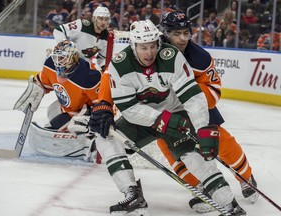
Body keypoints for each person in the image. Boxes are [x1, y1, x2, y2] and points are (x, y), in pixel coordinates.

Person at [86, 20, 246, 215]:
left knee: (194, 157)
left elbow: (193, 98)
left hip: (176, 114)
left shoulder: (171, 57)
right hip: (140, 118)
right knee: (106, 138)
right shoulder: (120, 65)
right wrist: (160, 119)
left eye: (153, 46)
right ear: (133, 45)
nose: (149, 52)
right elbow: (129, 109)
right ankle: (132, 194)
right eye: (144, 47)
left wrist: (203, 128)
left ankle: (230, 204)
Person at [159, 11, 258, 212]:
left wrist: (188, 96)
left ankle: (245, 177)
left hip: (197, 107)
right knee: (168, 146)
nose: (182, 39)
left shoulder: (200, 58)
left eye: (186, 33)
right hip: (164, 110)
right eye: (176, 34)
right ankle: (199, 186)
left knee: (221, 141)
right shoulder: (152, 51)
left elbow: (214, 91)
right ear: (165, 33)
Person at [13, 40, 102, 162]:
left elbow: (104, 101)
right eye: (56, 57)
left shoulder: (88, 76)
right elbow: (43, 82)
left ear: (73, 58)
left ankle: (89, 141)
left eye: (62, 58)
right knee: (52, 111)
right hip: (67, 107)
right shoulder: (50, 64)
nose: (58, 61)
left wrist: (93, 120)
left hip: (84, 111)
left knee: (60, 130)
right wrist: (36, 90)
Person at [53, 6, 110, 70]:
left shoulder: (107, 37)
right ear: (94, 18)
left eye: (106, 19)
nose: (103, 22)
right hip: (68, 61)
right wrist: (65, 45)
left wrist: (105, 69)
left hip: (84, 65)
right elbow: (59, 30)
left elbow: (102, 58)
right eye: (101, 19)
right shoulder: (82, 25)